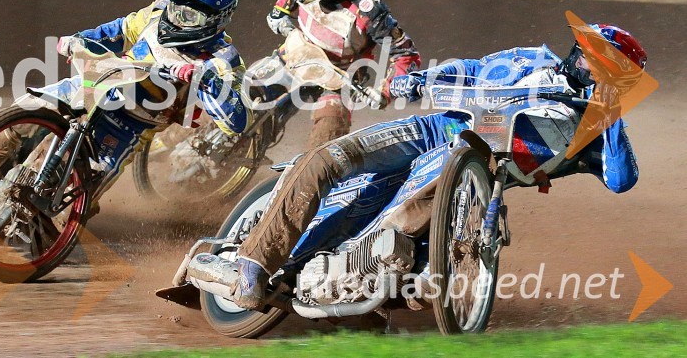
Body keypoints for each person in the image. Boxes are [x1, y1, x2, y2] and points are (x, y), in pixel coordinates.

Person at [229, 24, 647, 309]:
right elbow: (470, 67)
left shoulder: (598, 126)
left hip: (474, 164)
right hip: (435, 127)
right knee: (326, 159)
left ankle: (372, 281)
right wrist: (418, 80)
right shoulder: (530, 60)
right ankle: (250, 264)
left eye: (607, 68)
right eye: (593, 58)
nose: (593, 68)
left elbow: (622, 179)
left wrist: (609, 117)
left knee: (404, 216)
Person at [0, 0, 252, 219]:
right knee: (18, 118)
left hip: (130, 121)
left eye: (188, 13)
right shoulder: (156, 13)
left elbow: (238, 121)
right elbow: (116, 31)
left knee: (71, 189)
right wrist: (79, 39)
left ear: (216, 19)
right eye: (176, 5)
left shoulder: (223, 59)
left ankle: (41, 222)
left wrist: (206, 81)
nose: (176, 17)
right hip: (97, 84)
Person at [266, 0, 420, 148]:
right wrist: (280, 13)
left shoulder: (368, 9)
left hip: (341, 76)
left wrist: (386, 92)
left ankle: (308, 172)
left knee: (327, 134)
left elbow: (406, 53)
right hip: (298, 53)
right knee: (248, 94)